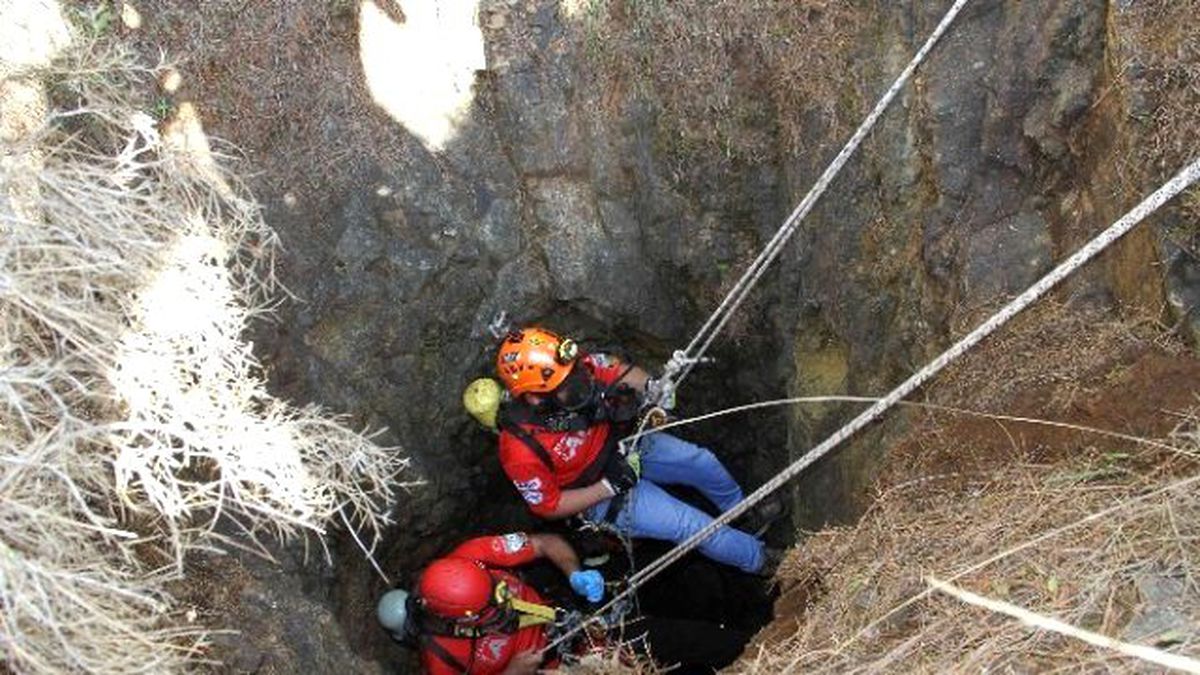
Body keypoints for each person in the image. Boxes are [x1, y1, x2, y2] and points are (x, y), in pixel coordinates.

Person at [491, 326, 784, 575]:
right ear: (534, 399)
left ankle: (743, 512)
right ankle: (761, 561)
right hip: (598, 494)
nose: (582, 380)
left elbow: (617, 370)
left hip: (625, 444)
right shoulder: (520, 450)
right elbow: (548, 506)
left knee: (700, 461)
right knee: (689, 523)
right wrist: (607, 487)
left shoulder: (573, 368)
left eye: (576, 371)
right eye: (569, 384)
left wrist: (653, 387)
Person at [377, 532, 750, 674]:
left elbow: (543, 544)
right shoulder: (442, 658)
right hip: (558, 669)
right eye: (489, 608)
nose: (502, 603)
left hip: (584, 630)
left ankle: (755, 650)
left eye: (496, 590)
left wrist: (573, 573)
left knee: (688, 640)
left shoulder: (474, 556)